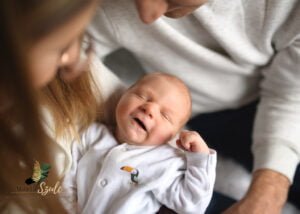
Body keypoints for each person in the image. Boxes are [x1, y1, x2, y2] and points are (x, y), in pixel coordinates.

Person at [89, 0, 300, 213]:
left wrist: (269, 193)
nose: (147, 15)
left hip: (273, 105)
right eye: (142, 96)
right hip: (198, 118)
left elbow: (289, 95)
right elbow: (71, 55)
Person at [0, 0, 116, 212]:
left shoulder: (70, 76)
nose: (72, 57)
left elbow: (125, 93)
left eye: (81, 35)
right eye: (61, 47)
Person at [61, 73, 217, 213]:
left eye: (165, 116)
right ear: (123, 95)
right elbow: (66, 173)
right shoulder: (91, 133)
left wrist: (200, 159)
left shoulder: (165, 161)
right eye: (142, 96)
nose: (149, 109)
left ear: (172, 135)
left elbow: (192, 205)